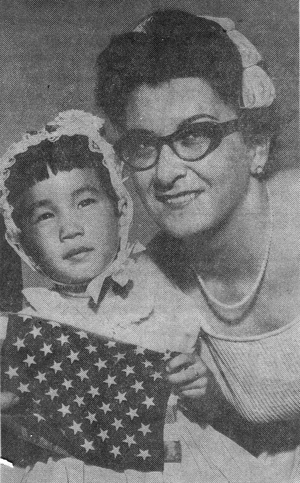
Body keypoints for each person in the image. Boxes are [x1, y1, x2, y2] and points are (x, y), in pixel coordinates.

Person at [95, 9, 300, 482]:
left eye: (193, 135)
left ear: (256, 145)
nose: (164, 174)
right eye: (144, 145)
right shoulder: (148, 280)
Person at [0, 110, 202, 483]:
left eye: (85, 202)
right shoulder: (31, 322)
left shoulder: (159, 283)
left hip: (169, 462)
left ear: (120, 208)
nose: (70, 229)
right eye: (45, 216)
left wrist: (197, 379)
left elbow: (199, 369)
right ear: (22, 243)